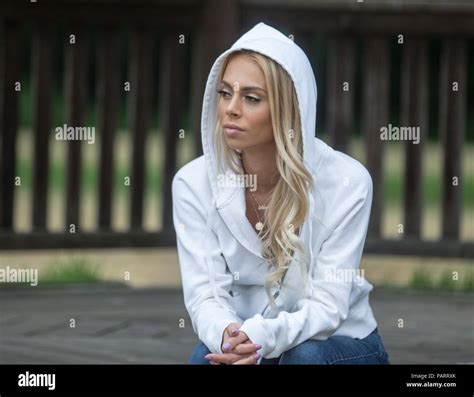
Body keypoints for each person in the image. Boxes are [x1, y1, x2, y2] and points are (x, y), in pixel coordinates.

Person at [172, 22, 390, 365]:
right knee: (205, 359)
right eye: (225, 93)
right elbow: (205, 294)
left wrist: (264, 337)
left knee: (304, 359)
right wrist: (230, 335)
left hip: (338, 342)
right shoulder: (192, 183)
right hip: (250, 342)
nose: (231, 108)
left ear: (290, 108)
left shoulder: (348, 182)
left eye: (251, 98)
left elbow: (328, 306)